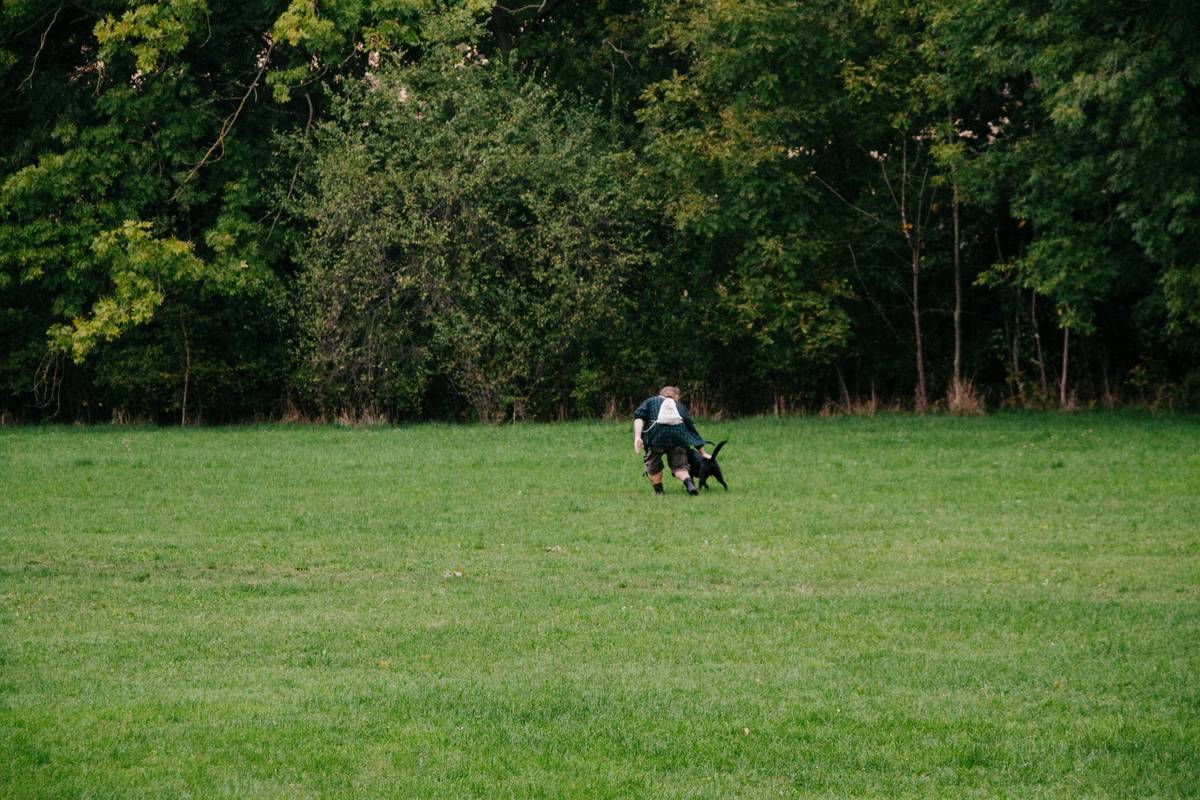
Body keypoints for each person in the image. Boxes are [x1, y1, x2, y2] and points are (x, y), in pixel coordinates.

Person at [633, 385, 710, 496]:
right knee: (680, 465)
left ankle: (659, 492)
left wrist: (637, 437)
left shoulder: (651, 401)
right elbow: (691, 428)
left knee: (654, 465)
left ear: (661, 394)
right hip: (678, 437)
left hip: (655, 437)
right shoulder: (680, 407)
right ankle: (689, 484)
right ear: (676, 396)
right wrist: (702, 452)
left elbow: (639, 417)